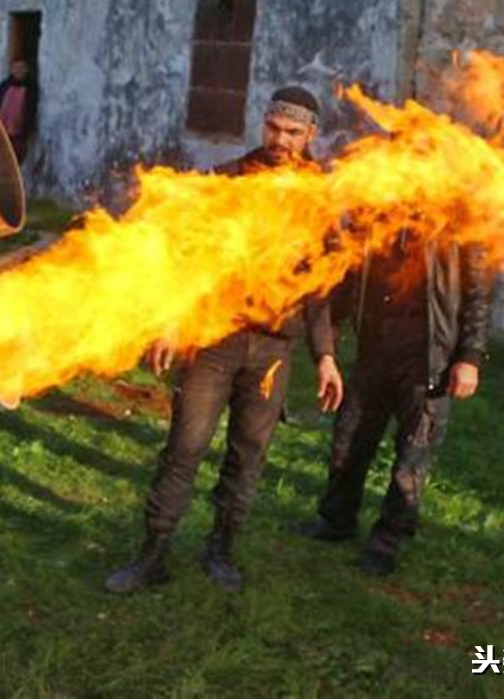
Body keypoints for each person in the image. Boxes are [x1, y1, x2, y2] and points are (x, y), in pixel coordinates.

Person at [104, 86, 345, 594]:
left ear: (310, 135)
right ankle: (153, 554)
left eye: (293, 132)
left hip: (273, 352)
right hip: (215, 341)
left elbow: (321, 288)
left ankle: (221, 550)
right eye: (274, 127)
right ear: (264, 124)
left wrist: (325, 356)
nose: (280, 139)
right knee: (184, 448)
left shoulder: (318, 201)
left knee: (248, 455)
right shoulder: (228, 180)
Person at [290, 182, 494, 576]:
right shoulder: (375, 204)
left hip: (427, 354)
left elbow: (479, 291)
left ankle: (388, 540)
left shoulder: (461, 216)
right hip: (375, 345)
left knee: (414, 451)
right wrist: (329, 332)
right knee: (349, 437)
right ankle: (336, 520)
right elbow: (350, 272)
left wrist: (470, 357)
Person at [0, 59, 39, 162]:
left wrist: (26, 133)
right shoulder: (4, 86)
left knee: (14, 161)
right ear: (11, 69)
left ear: (26, 70)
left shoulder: (31, 88)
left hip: (18, 136)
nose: (18, 71)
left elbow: (31, 112)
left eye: (22, 68)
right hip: (0, 131)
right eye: (16, 68)